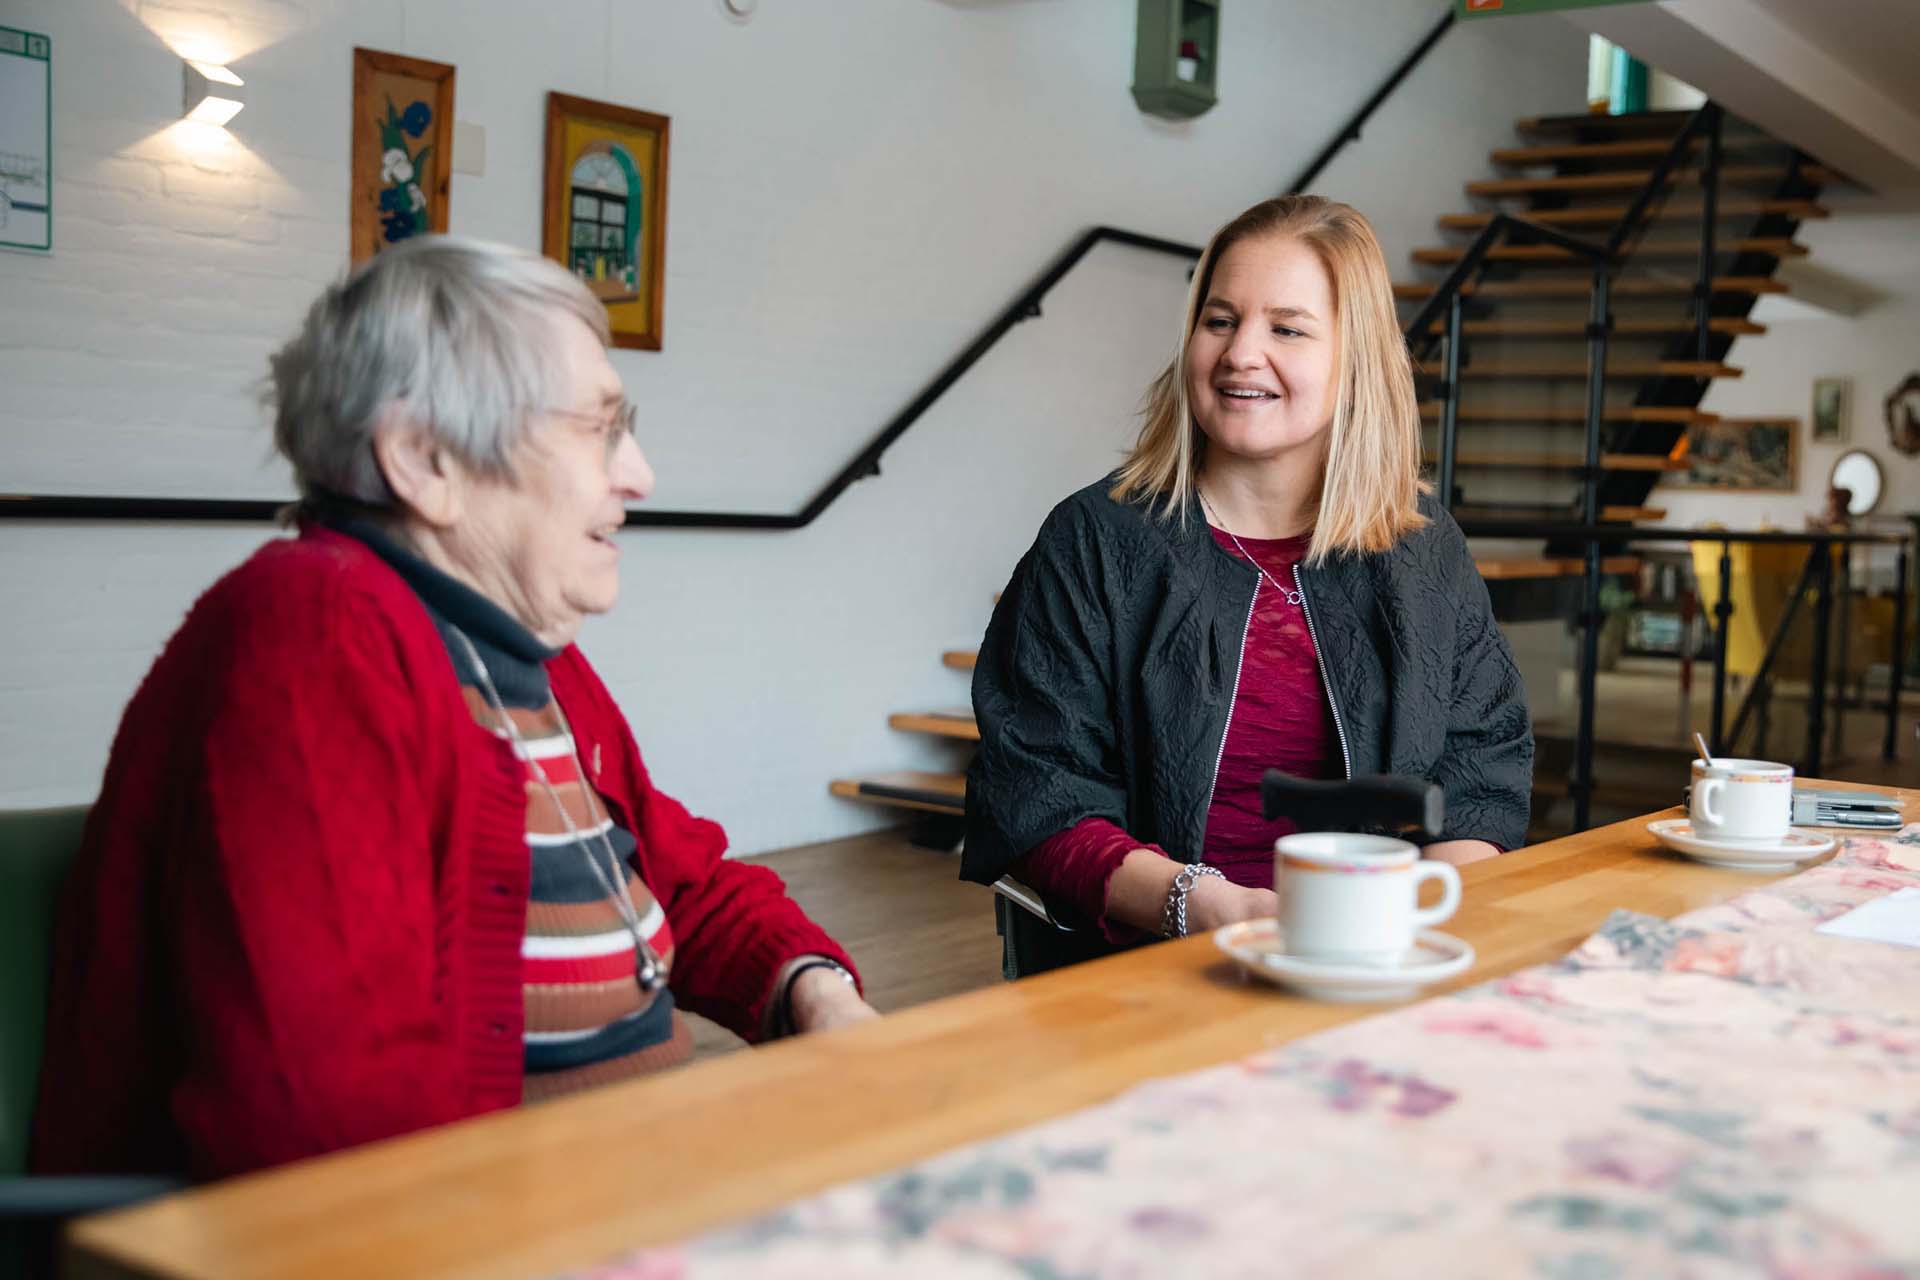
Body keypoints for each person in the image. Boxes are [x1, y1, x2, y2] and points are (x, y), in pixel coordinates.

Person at [33, 236, 876, 1181]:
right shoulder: (312, 637)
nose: (639, 473)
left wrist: (813, 990)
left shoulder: (529, 660)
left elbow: (680, 881)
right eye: (598, 428)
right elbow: (327, 1125)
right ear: (425, 458)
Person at [963, 195, 1532, 955]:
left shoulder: (1424, 550)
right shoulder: (1095, 540)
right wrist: (1198, 906)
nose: (1239, 354)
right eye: (1220, 320)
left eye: (1287, 328)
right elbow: (1039, 792)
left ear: (1355, 362)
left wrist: (1425, 917)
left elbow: (1483, 769)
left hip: (1374, 961)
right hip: (1151, 969)